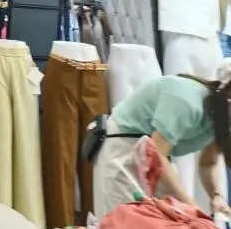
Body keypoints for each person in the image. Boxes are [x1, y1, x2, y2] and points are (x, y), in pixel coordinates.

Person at [91, 67, 231, 219]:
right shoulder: (187, 102)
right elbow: (157, 156)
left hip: (152, 154)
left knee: (158, 223)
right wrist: (191, 206)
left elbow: (208, 164)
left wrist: (216, 195)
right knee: (121, 221)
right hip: (123, 147)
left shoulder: (221, 120)